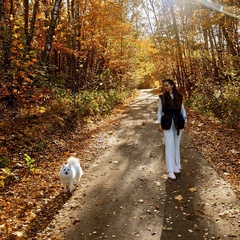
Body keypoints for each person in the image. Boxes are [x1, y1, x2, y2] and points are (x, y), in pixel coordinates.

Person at [157, 79, 187, 180]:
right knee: (169, 145)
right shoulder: (162, 97)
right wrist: (159, 123)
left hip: (178, 122)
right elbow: (160, 111)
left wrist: (185, 120)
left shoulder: (179, 96)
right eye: (164, 86)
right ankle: (170, 170)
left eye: (166, 85)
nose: (165, 87)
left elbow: (182, 109)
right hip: (167, 122)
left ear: (172, 85)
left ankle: (176, 166)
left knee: (176, 145)